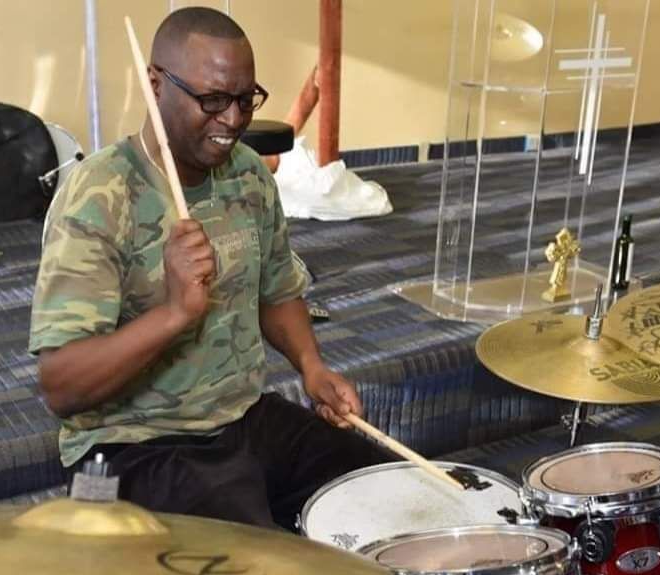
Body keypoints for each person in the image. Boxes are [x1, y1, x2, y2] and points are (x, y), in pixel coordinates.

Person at [28, 7, 390, 530]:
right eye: (213, 100)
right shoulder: (98, 195)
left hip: (242, 417)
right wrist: (174, 313)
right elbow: (62, 386)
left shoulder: (247, 174)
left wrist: (311, 366)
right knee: (253, 570)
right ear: (155, 85)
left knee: (383, 494)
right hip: (133, 445)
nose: (233, 119)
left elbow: (277, 291)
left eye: (246, 100)